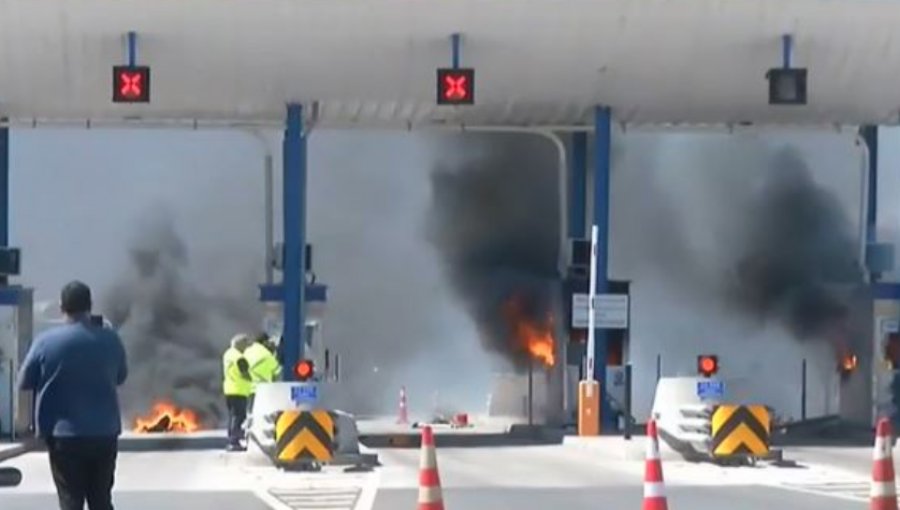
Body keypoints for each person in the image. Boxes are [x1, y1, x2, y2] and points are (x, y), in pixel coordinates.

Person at [18, 281, 128, 510]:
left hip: (64, 437)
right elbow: (120, 377)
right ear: (90, 306)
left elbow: (24, 383)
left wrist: (26, 427)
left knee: (70, 501)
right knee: (101, 500)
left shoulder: (45, 342)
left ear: (61, 306)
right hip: (104, 433)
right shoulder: (110, 339)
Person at [222, 334, 252, 452]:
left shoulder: (228, 354)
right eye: (245, 344)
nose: (246, 347)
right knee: (239, 416)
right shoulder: (240, 357)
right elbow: (245, 373)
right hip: (239, 390)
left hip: (229, 389)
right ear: (240, 344)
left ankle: (231, 439)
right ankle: (234, 441)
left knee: (232, 416)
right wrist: (252, 379)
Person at [244, 332, 282, 411]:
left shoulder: (247, 351)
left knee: (248, 414)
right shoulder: (266, 354)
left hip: (246, 389)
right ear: (264, 342)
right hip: (262, 390)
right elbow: (278, 371)